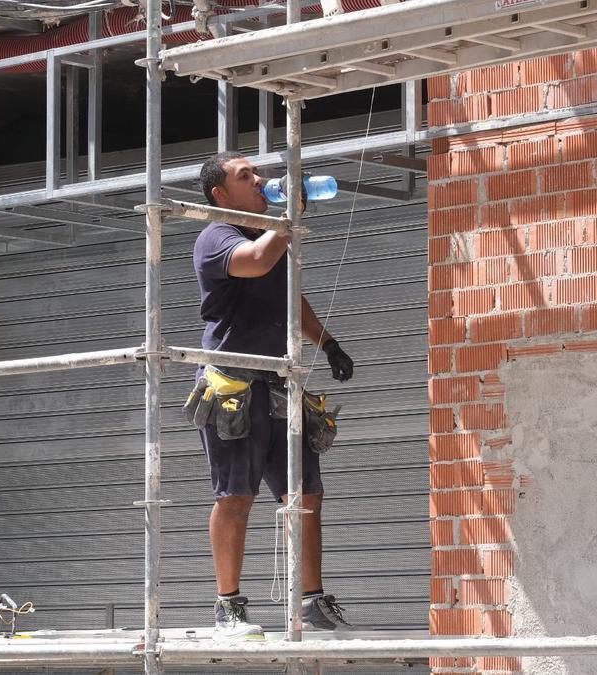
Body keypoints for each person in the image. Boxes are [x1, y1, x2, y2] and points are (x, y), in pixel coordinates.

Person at [191, 151, 356, 640]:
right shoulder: (216, 237)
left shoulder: (272, 236)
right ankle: (228, 606)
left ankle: (311, 600)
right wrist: (287, 221)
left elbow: (290, 294)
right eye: (247, 177)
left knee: (305, 493)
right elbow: (258, 261)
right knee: (235, 496)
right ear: (222, 194)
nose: (260, 180)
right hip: (234, 385)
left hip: (279, 381)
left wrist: (328, 342)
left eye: (258, 173)